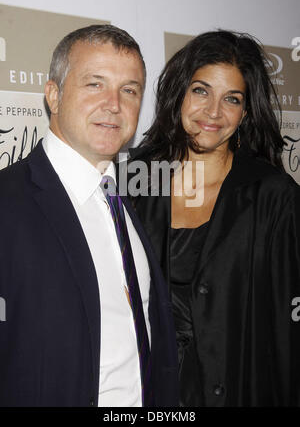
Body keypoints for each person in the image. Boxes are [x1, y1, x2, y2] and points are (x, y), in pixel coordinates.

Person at [0, 25, 179, 407]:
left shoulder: (136, 200)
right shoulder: (7, 203)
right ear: (54, 94)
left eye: (129, 90)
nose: (114, 104)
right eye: (94, 84)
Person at [129, 30, 300, 406]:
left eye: (232, 99)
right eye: (201, 91)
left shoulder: (272, 195)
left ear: (246, 112)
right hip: (150, 392)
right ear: (179, 93)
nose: (213, 113)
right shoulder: (136, 179)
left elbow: (288, 331)